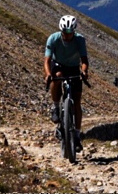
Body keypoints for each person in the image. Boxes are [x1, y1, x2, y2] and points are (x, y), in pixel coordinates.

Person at [45, 15, 89, 150]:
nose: (67, 35)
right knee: (57, 76)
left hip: (73, 67)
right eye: (65, 32)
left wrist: (84, 71)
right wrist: (48, 74)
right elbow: (47, 60)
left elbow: (84, 60)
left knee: (77, 101)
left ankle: (77, 135)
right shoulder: (53, 38)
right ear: (61, 30)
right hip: (58, 64)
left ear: (74, 31)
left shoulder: (80, 39)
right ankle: (56, 107)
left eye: (70, 32)